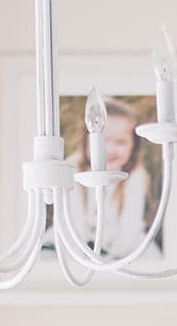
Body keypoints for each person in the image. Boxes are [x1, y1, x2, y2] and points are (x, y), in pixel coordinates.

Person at [68, 97, 159, 261]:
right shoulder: (74, 166)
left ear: (134, 146)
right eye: (102, 140)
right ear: (86, 140)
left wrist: (113, 256)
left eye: (121, 142)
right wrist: (83, 252)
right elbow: (73, 215)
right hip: (78, 240)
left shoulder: (134, 175)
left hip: (122, 245)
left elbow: (130, 224)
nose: (109, 149)